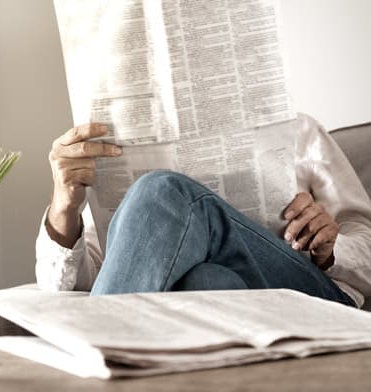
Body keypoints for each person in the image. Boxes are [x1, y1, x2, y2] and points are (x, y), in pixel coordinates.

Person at [35, 114, 371, 308]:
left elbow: (365, 238)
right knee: (208, 281)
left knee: (161, 192)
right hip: (232, 301)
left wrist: (330, 249)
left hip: (307, 293)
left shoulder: (299, 131)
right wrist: (64, 207)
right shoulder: (120, 144)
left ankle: (88, 366)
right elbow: (92, 278)